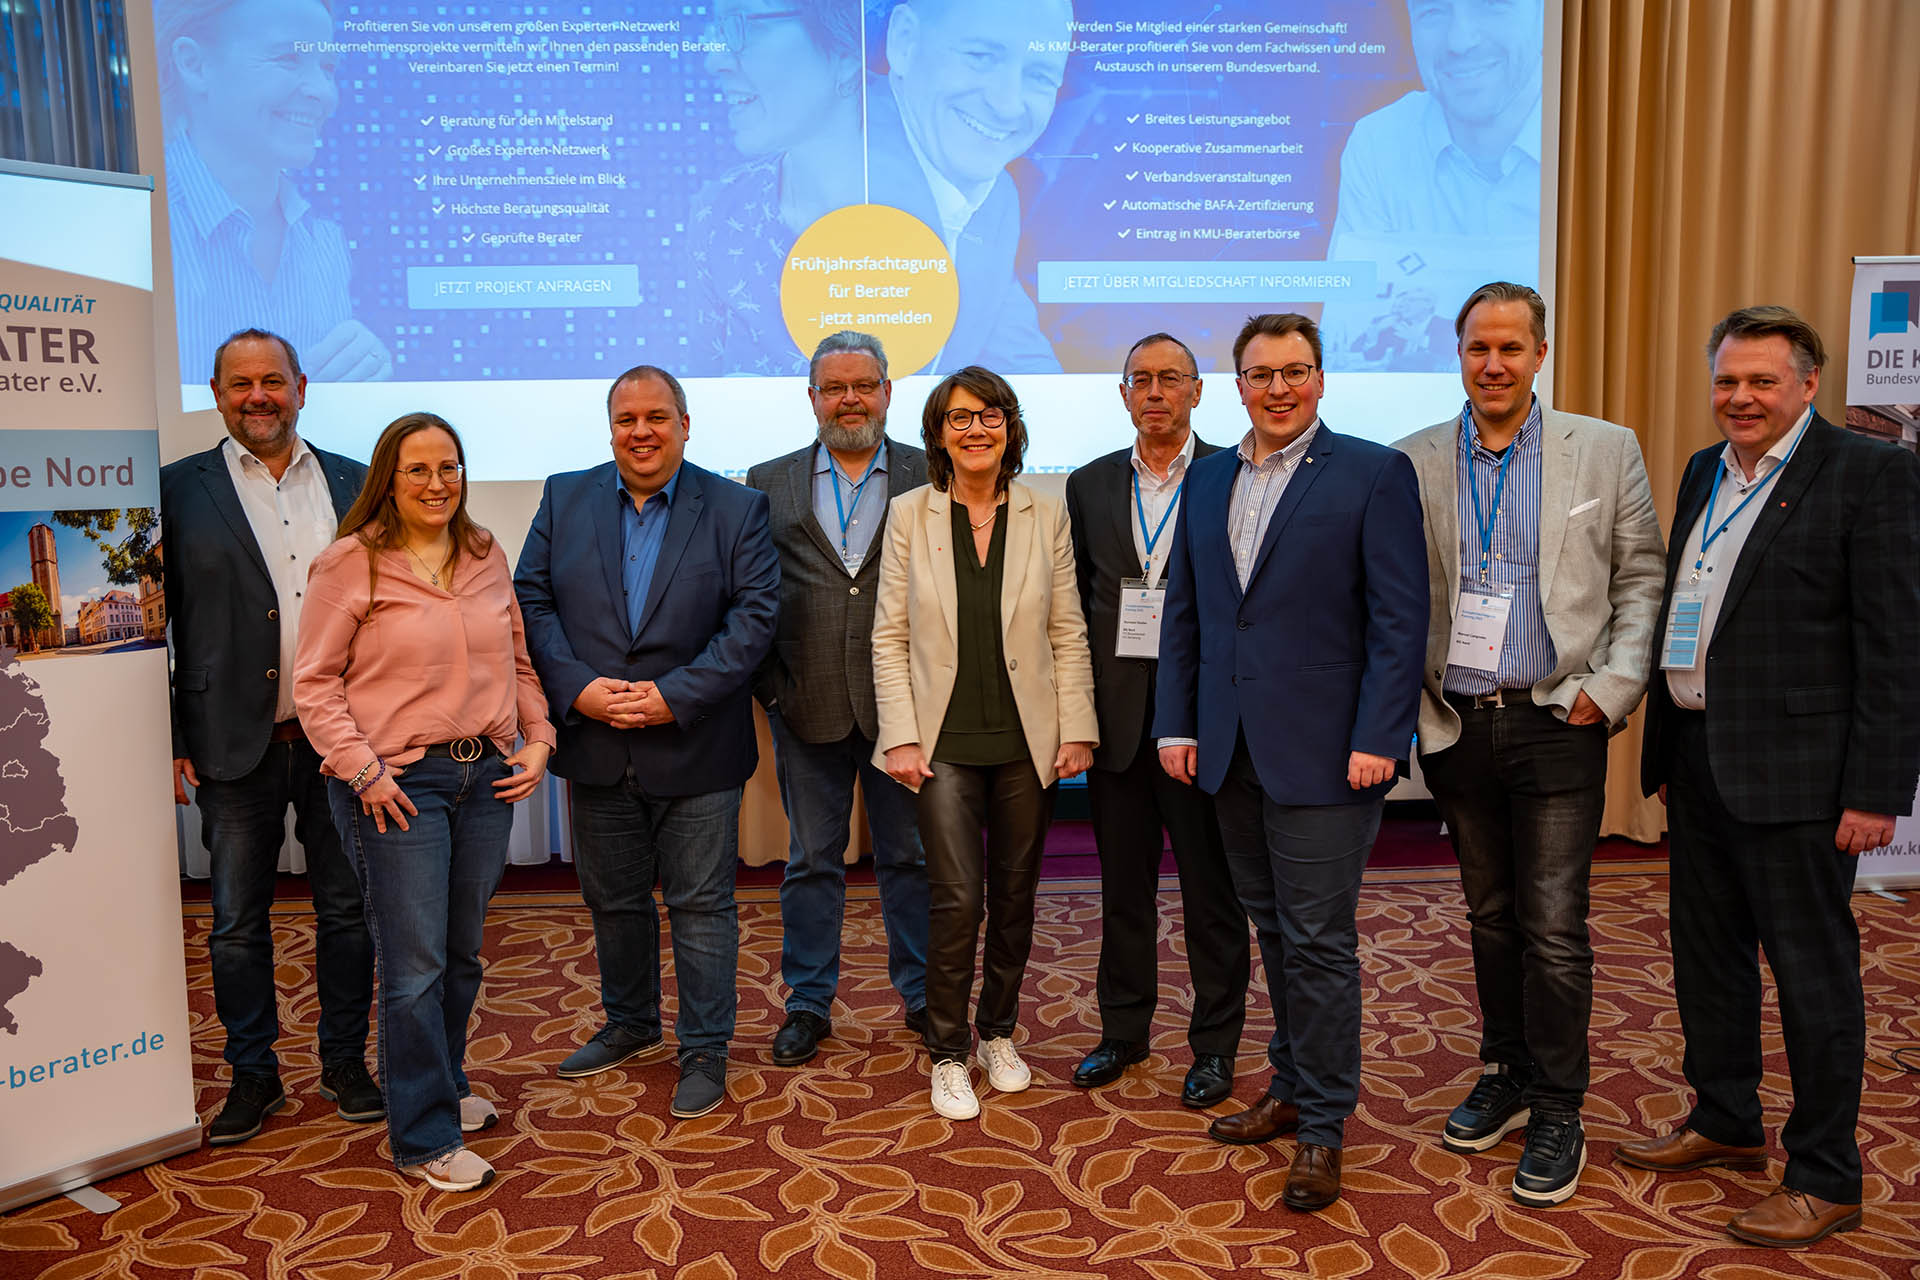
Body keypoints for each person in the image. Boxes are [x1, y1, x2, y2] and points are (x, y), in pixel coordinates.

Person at [1620, 306, 1920, 1248]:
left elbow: (1896, 643)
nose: (1740, 398)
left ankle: (1827, 1174)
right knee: (1706, 960)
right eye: (1727, 380)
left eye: (1761, 381)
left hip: (1803, 780)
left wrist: (1877, 790)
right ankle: (1725, 1117)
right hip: (1700, 758)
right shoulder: (1704, 470)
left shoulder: (1870, 473)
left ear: (1808, 384)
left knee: (1811, 977)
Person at [1395, 282, 1664, 1206]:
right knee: (1490, 916)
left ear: (1541, 354)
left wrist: (1609, 690)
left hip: (1558, 719)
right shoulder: (1413, 460)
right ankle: (1506, 1071)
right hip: (1459, 722)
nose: (1494, 364)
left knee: (1552, 925)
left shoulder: (1605, 449)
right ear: (1458, 354)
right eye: (1479, 348)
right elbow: (1395, 596)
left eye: (1512, 347)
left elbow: (1641, 580)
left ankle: (1558, 1105)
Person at [1154, 313, 1427, 1212]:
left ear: (1320, 377)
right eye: (1261, 374)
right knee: (1271, 930)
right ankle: (1290, 1084)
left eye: (1295, 371)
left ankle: (1324, 1127)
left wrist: (1382, 737)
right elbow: (1188, 612)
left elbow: (1399, 620)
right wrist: (1176, 724)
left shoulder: (1373, 472)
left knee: (1317, 941)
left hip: (1329, 754)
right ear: (1237, 386)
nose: (1279, 388)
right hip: (1229, 750)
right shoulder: (1206, 478)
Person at [292, 413, 554, 1193]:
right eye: (418, 470)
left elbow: (519, 664)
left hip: (485, 781)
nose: (437, 484)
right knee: (414, 967)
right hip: (396, 787)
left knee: (461, 954)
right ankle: (424, 1136)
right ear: (389, 478)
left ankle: (440, 1084)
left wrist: (539, 737)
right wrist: (363, 772)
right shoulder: (349, 562)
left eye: (449, 467)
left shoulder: (484, 551)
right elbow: (313, 685)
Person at [514, 365, 780, 1120]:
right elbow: (530, 599)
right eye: (626, 419)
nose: (641, 432)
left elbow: (755, 618)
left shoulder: (737, 507)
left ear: (685, 425)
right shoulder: (565, 496)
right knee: (613, 900)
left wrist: (673, 697)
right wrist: (577, 689)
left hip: (695, 744)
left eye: (657, 417)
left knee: (701, 905)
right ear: (610, 429)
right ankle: (630, 1023)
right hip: (596, 741)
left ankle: (704, 1047)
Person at [160, 327, 379, 1146]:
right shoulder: (174, 491)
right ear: (218, 394)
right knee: (234, 923)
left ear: (301, 388)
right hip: (227, 738)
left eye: (274, 381)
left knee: (349, 912)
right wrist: (171, 735)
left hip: (341, 742)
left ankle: (345, 1064)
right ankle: (253, 1074)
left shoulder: (359, 484)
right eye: (241, 383)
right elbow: (154, 624)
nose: (259, 396)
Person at [872, 366, 1096, 1120]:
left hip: (1028, 743)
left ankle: (997, 1033)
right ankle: (946, 1051)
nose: (976, 429)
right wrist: (900, 737)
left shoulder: (1044, 511)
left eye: (990, 415)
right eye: (960, 417)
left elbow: (1067, 629)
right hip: (940, 745)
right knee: (958, 898)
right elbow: (889, 636)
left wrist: (1077, 729)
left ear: (1010, 427)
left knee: (1015, 897)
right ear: (938, 434)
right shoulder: (909, 514)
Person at [1063, 332, 1249, 1108]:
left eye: (1171, 378)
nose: (1155, 392)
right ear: (1123, 394)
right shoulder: (1088, 485)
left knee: (1212, 893)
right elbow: (1075, 607)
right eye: (1140, 379)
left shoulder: (1233, 477)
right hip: (1117, 722)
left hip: (1201, 723)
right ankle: (1123, 1032)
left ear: (1198, 391)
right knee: (1124, 891)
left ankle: (1215, 1046)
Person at [747, 331, 930, 1064]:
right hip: (806, 703)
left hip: (906, 709)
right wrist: (771, 691)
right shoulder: (766, 481)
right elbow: (751, 595)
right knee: (811, 862)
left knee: (910, 857)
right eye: (834, 387)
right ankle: (808, 1003)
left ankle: (923, 994)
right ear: (813, 397)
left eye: (863, 385)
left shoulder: (932, 470)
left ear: (887, 391)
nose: (849, 399)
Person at [156, 0, 392, 383]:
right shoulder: (139, 226)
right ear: (194, 65)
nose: (323, 92)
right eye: (287, 59)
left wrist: (364, 382)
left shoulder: (326, 242)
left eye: (328, 68)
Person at [868, 0, 1071, 373]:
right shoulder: (825, 140)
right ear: (904, 41)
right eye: (980, 57)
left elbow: (1015, 350)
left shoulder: (996, 195)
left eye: (1041, 77)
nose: (1008, 105)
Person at [689, 1, 866, 376]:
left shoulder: (949, 205)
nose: (714, 61)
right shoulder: (720, 210)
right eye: (718, 32)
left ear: (846, 54)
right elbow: (701, 385)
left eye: (743, 26)